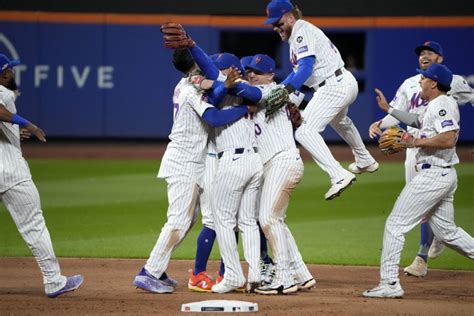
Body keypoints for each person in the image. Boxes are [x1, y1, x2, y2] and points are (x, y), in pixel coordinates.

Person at [132, 48, 257, 294]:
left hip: (190, 160)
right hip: (184, 162)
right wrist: (244, 110)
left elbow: (213, 88)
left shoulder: (187, 84)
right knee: (178, 220)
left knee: (187, 221)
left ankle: (159, 268)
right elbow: (215, 119)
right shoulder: (190, 90)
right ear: (195, 68)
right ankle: (149, 272)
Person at [363, 63, 474, 299]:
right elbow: (416, 120)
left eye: (423, 79)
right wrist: (390, 111)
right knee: (446, 232)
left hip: (433, 175)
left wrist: (414, 142)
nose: (420, 81)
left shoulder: (443, 104)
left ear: (433, 83)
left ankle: (389, 283)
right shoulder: (434, 104)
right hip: (441, 173)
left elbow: (448, 139)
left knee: (395, 224)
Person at [263, 0, 378, 200]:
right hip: (341, 81)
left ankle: (338, 174)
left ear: (291, 17)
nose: (275, 27)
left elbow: (306, 68)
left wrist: (285, 91)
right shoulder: (299, 34)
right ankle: (364, 159)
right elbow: (300, 73)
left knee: (305, 131)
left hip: (333, 86)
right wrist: (284, 90)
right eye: (273, 24)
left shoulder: (300, 31)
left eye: (278, 22)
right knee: (340, 121)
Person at [0, 54, 84, 298]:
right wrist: (28, 124)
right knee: (34, 225)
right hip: (11, 173)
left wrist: (14, 132)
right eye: (10, 70)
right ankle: (53, 280)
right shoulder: (4, 92)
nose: (13, 73)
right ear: (4, 73)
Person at [240, 54, 315, 295]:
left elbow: (281, 92)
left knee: (268, 219)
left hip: (281, 161)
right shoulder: (273, 93)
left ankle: (284, 277)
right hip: (279, 163)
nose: (252, 74)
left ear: (271, 75)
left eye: (258, 72)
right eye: (249, 70)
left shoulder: (273, 91)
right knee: (276, 221)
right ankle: (301, 274)